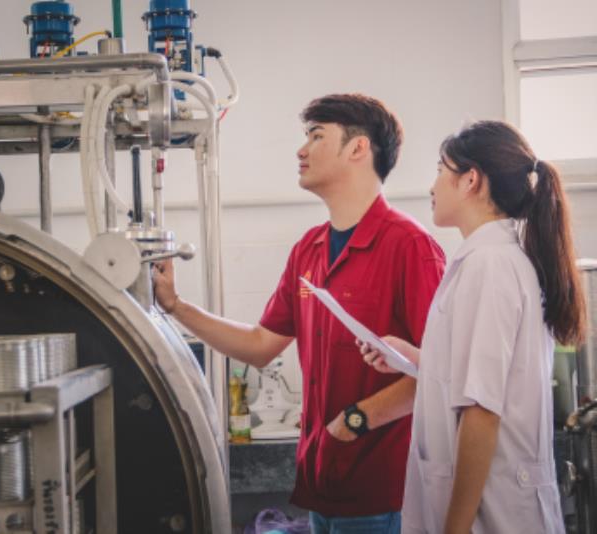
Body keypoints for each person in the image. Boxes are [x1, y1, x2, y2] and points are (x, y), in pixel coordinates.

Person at [153, 94, 446, 533]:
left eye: (316, 136)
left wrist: (354, 421)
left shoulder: (409, 246)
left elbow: (441, 373)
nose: (301, 150)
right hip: (321, 484)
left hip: (382, 493)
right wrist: (175, 306)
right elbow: (259, 346)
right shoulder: (309, 250)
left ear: (358, 148)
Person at [360, 120, 586, 533]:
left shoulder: (489, 265)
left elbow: (482, 410)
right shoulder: (491, 259)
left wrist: (455, 528)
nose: (432, 186)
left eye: (440, 171)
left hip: (494, 514)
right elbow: (488, 377)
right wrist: (418, 361)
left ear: (470, 180)